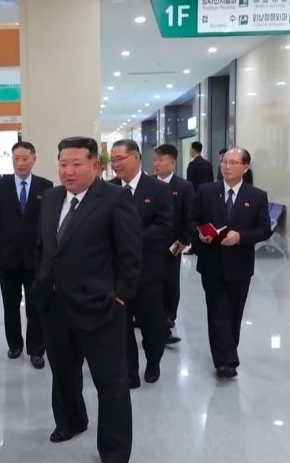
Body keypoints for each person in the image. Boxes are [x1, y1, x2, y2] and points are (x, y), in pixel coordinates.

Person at [33, 136, 141, 463]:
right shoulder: (51, 198)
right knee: (63, 373)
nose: (68, 171)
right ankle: (71, 421)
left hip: (101, 307)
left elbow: (131, 254)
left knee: (110, 382)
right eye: (63, 164)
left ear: (94, 165)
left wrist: (120, 297)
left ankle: (114, 450)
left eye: (76, 164)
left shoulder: (114, 198)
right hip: (55, 305)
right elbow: (44, 247)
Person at [192, 147, 271, 379]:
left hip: (240, 264)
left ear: (245, 168)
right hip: (211, 263)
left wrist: (241, 237)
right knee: (217, 311)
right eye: (225, 161)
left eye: (234, 163)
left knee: (234, 313)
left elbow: (264, 229)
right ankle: (224, 362)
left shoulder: (256, 196)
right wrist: (199, 234)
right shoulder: (206, 191)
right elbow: (192, 219)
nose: (227, 166)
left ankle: (228, 351)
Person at [108, 139, 175, 388]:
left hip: (149, 271)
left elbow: (165, 225)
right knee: (121, 327)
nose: (115, 165)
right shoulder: (109, 189)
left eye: (120, 159)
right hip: (117, 273)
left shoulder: (157, 189)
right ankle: (130, 372)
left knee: (152, 326)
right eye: (112, 160)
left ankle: (154, 362)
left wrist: (131, 238)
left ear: (136, 157)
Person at [0, 141, 53, 369]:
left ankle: (36, 349)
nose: (20, 163)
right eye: (16, 158)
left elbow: (49, 223)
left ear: (33, 159)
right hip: (8, 255)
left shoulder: (46, 186)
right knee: (10, 304)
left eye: (25, 158)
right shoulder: (0, 186)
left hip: (36, 257)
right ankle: (14, 344)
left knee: (36, 305)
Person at [153, 143, 195, 345]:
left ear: (172, 161)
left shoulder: (183, 187)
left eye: (161, 159)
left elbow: (189, 218)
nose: (157, 164)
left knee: (171, 284)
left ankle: (168, 320)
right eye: (155, 160)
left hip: (172, 247)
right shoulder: (150, 184)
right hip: (150, 246)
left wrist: (182, 244)